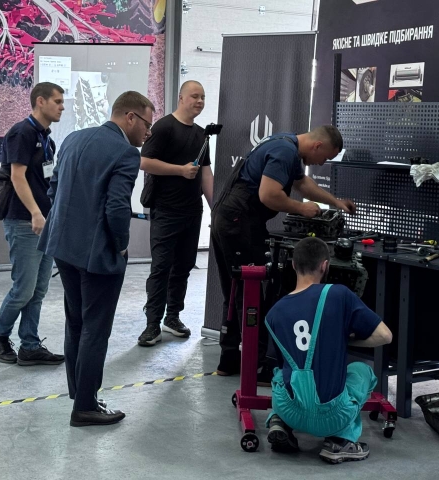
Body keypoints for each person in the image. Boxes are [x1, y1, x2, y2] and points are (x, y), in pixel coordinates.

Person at [38, 91, 154, 427]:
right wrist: (121, 245)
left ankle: (80, 393)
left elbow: (53, 189)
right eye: (147, 125)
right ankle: (86, 406)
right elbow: (117, 208)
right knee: (95, 328)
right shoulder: (126, 153)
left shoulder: (73, 139)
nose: (147, 133)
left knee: (76, 321)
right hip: (98, 254)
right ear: (130, 117)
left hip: (63, 246)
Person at [211, 125, 356, 381]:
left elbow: (302, 183)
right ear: (317, 145)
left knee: (235, 291)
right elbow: (268, 195)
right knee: (249, 292)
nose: (321, 163)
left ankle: (230, 359)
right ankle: (256, 366)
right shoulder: (285, 151)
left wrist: (334, 202)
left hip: (231, 218)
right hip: (239, 223)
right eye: (325, 157)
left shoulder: (285, 143)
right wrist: (301, 209)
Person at [264, 237, 392, 463]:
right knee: (362, 371)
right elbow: (385, 336)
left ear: (293, 264)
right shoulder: (338, 294)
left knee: (280, 375)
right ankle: (340, 441)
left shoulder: (273, 313)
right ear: (325, 266)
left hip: (290, 411)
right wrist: (342, 341)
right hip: (332, 417)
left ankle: (279, 421)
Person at [0, 82, 66, 367]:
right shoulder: (22, 133)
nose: (62, 107)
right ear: (40, 101)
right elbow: (17, 177)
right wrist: (35, 213)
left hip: (45, 222)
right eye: (57, 101)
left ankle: (30, 345)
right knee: (24, 288)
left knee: (38, 289)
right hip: (24, 221)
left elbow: (44, 180)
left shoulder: (46, 138)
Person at [137, 80, 213, 346]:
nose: (199, 101)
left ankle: (173, 317)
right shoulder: (164, 127)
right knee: (161, 268)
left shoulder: (202, 135)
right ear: (181, 98)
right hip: (166, 210)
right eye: (194, 96)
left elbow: (206, 174)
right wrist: (180, 170)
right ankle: (152, 324)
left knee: (183, 267)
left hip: (192, 211)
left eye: (203, 97)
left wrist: (216, 209)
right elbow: (144, 161)